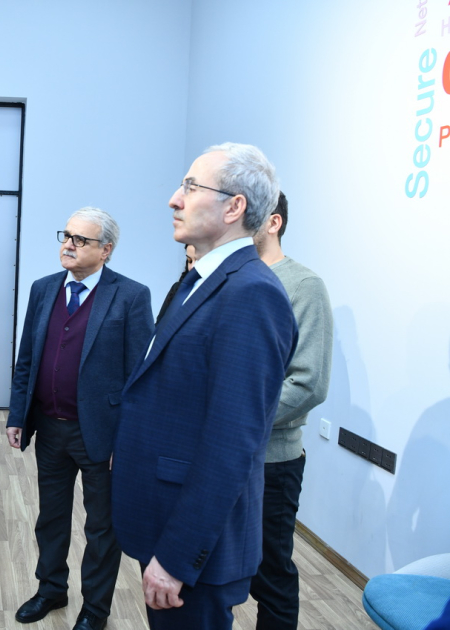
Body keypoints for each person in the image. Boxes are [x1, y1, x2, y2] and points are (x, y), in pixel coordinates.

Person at [111, 143, 298, 630]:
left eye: (191, 187)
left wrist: (177, 557)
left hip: (193, 547)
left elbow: (233, 444)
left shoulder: (251, 293)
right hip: (164, 515)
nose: (174, 199)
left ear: (234, 207)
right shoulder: (202, 281)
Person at [6, 207, 154, 630]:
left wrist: (127, 441)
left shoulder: (130, 296)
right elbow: (27, 358)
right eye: (67, 236)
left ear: (106, 250)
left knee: (101, 528)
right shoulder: (43, 289)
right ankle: (51, 589)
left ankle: (95, 609)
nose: (68, 245)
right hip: (49, 427)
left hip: (102, 435)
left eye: (80, 239)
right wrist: (17, 414)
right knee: (50, 518)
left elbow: (139, 377)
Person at [251, 191, 333, 630]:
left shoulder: (303, 286)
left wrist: (236, 420)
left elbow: (308, 384)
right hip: (219, 454)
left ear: (274, 222)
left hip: (271, 462)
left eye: (249, 213)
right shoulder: (230, 279)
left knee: (270, 575)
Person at [155, 244, 197, 324]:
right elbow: (159, 323)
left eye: (198, 260)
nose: (192, 266)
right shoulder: (177, 288)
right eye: (190, 261)